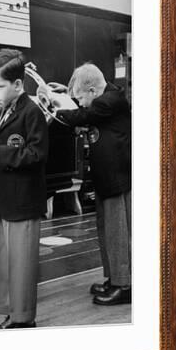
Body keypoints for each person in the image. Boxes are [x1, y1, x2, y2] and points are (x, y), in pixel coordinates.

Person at [0, 49, 49, 329]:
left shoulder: (32, 112)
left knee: (21, 262)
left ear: (18, 85)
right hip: (7, 197)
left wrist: (0, 156)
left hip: (24, 199)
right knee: (7, 259)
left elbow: (37, 154)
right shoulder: (4, 109)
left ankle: (23, 319)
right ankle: (11, 311)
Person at [55, 63, 131, 305]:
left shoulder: (108, 100)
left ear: (92, 90)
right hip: (105, 178)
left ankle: (125, 284)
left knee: (117, 233)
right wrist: (61, 95)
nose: (80, 103)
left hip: (116, 179)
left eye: (80, 98)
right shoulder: (104, 98)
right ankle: (113, 278)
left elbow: (82, 116)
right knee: (105, 231)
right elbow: (83, 110)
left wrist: (54, 109)